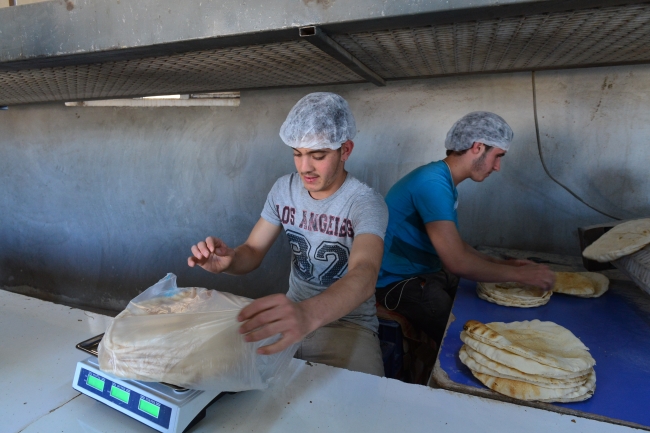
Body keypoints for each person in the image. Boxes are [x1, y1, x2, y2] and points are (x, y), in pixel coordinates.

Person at [188, 92, 388, 376]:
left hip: (349, 325)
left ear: (346, 150)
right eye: (297, 153)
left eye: (318, 156)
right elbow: (253, 252)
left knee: (359, 409)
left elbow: (365, 273)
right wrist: (230, 261)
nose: (305, 167)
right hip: (290, 317)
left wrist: (308, 315)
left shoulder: (365, 202)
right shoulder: (284, 189)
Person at [375, 111, 556, 346]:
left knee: (482, 300)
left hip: (424, 271)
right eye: (498, 156)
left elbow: (456, 246)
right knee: (474, 343)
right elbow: (456, 261)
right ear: (478, 147)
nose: (498, 167)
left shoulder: (443, 181)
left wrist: (502, 264)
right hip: (397, 282)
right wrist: (521, 274)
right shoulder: (432, 184)